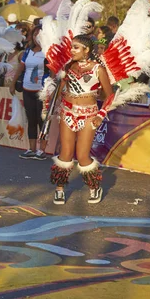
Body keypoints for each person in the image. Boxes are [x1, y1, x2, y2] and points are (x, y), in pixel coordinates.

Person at [47, 35, 113, 205]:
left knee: (83, 156)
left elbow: (110, 95)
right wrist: (56, 90)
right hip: (68, 112)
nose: (72, 50)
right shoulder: (68, 67)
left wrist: (101, 114)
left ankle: (94, 186)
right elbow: (59, 91)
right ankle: (60, 189)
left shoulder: (98, 69)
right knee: (65, 153)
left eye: (76, 47)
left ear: (86, 50)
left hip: (89, 114)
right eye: (71, 47)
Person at [10, 25, 48, 160]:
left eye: (40, 35)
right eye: (35, 34)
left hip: (42, 92)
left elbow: (54, 72)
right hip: (27, 90)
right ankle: (31, 149)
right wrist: (13, 83)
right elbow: (21, 67)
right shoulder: (28, 51)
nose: (37, 37)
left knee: (41, 120)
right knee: (31, 120)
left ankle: (41, 150)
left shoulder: (48, 52)